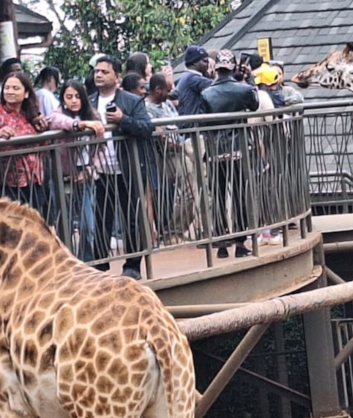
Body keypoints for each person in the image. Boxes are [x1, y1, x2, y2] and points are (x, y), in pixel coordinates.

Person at [88, 55, 154, 280]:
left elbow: (146, 127)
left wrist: (123, 120)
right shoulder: (88, 102)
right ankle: (99, 264)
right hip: (100, 171)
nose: (98, 75)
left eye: (104, 72)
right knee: (100, 219)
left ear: (117, 77)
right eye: (96, 71)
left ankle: (133, 264)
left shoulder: (131, 101)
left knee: (132, 217)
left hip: (128, 168)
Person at [201, 50, 260, 259]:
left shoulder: (206, 93)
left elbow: (202, 120)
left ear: (216, 68)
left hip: (215, 150)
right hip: (238, 148)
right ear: (233, 67)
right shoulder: (243, 90)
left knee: (217, 196)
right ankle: (241, 243)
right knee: (239, 195)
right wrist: (249, 78)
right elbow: (255, 105)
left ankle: (222, 243)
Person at [0, 71, 52, 222]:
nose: (10, 92)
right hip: (10, 180)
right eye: (7, 88)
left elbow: (43, 144)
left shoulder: (30, 113)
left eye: (16, 88)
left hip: (36, 178)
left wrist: (42, 129)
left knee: (38, 223)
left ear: (26, 93)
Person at [47, 79, 106, 263]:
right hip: (61, 174)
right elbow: (56, 120)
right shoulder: (58, 114)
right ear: (63, 98)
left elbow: (101, 147)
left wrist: (90, 170)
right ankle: (66, 263)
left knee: (87, 225)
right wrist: (80, 125)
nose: (73, 101)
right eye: (69, 96)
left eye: (77, 96)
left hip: (85, 173)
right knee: (63, 224)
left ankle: (86, 262)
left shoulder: (94, 114)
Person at [144, 73, 198, 243]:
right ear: (158, 90)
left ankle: (178, 230)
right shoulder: (147, 109)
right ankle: (173, 232)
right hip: (164, 156)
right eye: (168, 90)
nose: (171, 93)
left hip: (180, 149)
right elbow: (158, 137)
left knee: (197, 186)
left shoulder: (166, 104)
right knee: (190, 187)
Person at [175, 45, 213, 120]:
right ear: (195, 62)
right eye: (205, 61)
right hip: (192, 127)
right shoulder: (193, 78)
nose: (208, 64)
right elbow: (218, 87)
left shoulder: (185, 76)